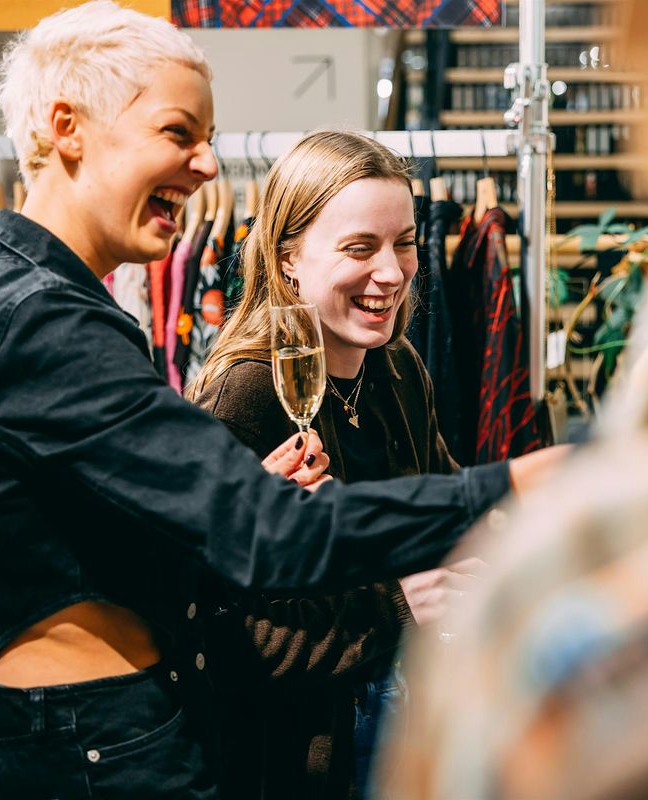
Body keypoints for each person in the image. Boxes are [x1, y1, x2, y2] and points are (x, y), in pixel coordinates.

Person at [0, 4, 560, 797]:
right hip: (93, 744)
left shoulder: (59, 306)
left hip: (108, 729)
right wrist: (504, 487)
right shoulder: (40, 323)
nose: (206, 165)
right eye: (177, 132)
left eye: (207, 139)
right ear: (68, 128)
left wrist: (229, 506)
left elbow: (114, 554)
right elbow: (262, 543)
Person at [189, 130, 485, 798]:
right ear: (289, 257)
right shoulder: (251, 392)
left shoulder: (397, 366)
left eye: (404, 242)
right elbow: (221, 631)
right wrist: (398, 604)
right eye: (360, 247)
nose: (392, 271)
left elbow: (439, 502)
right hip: (298, 760)